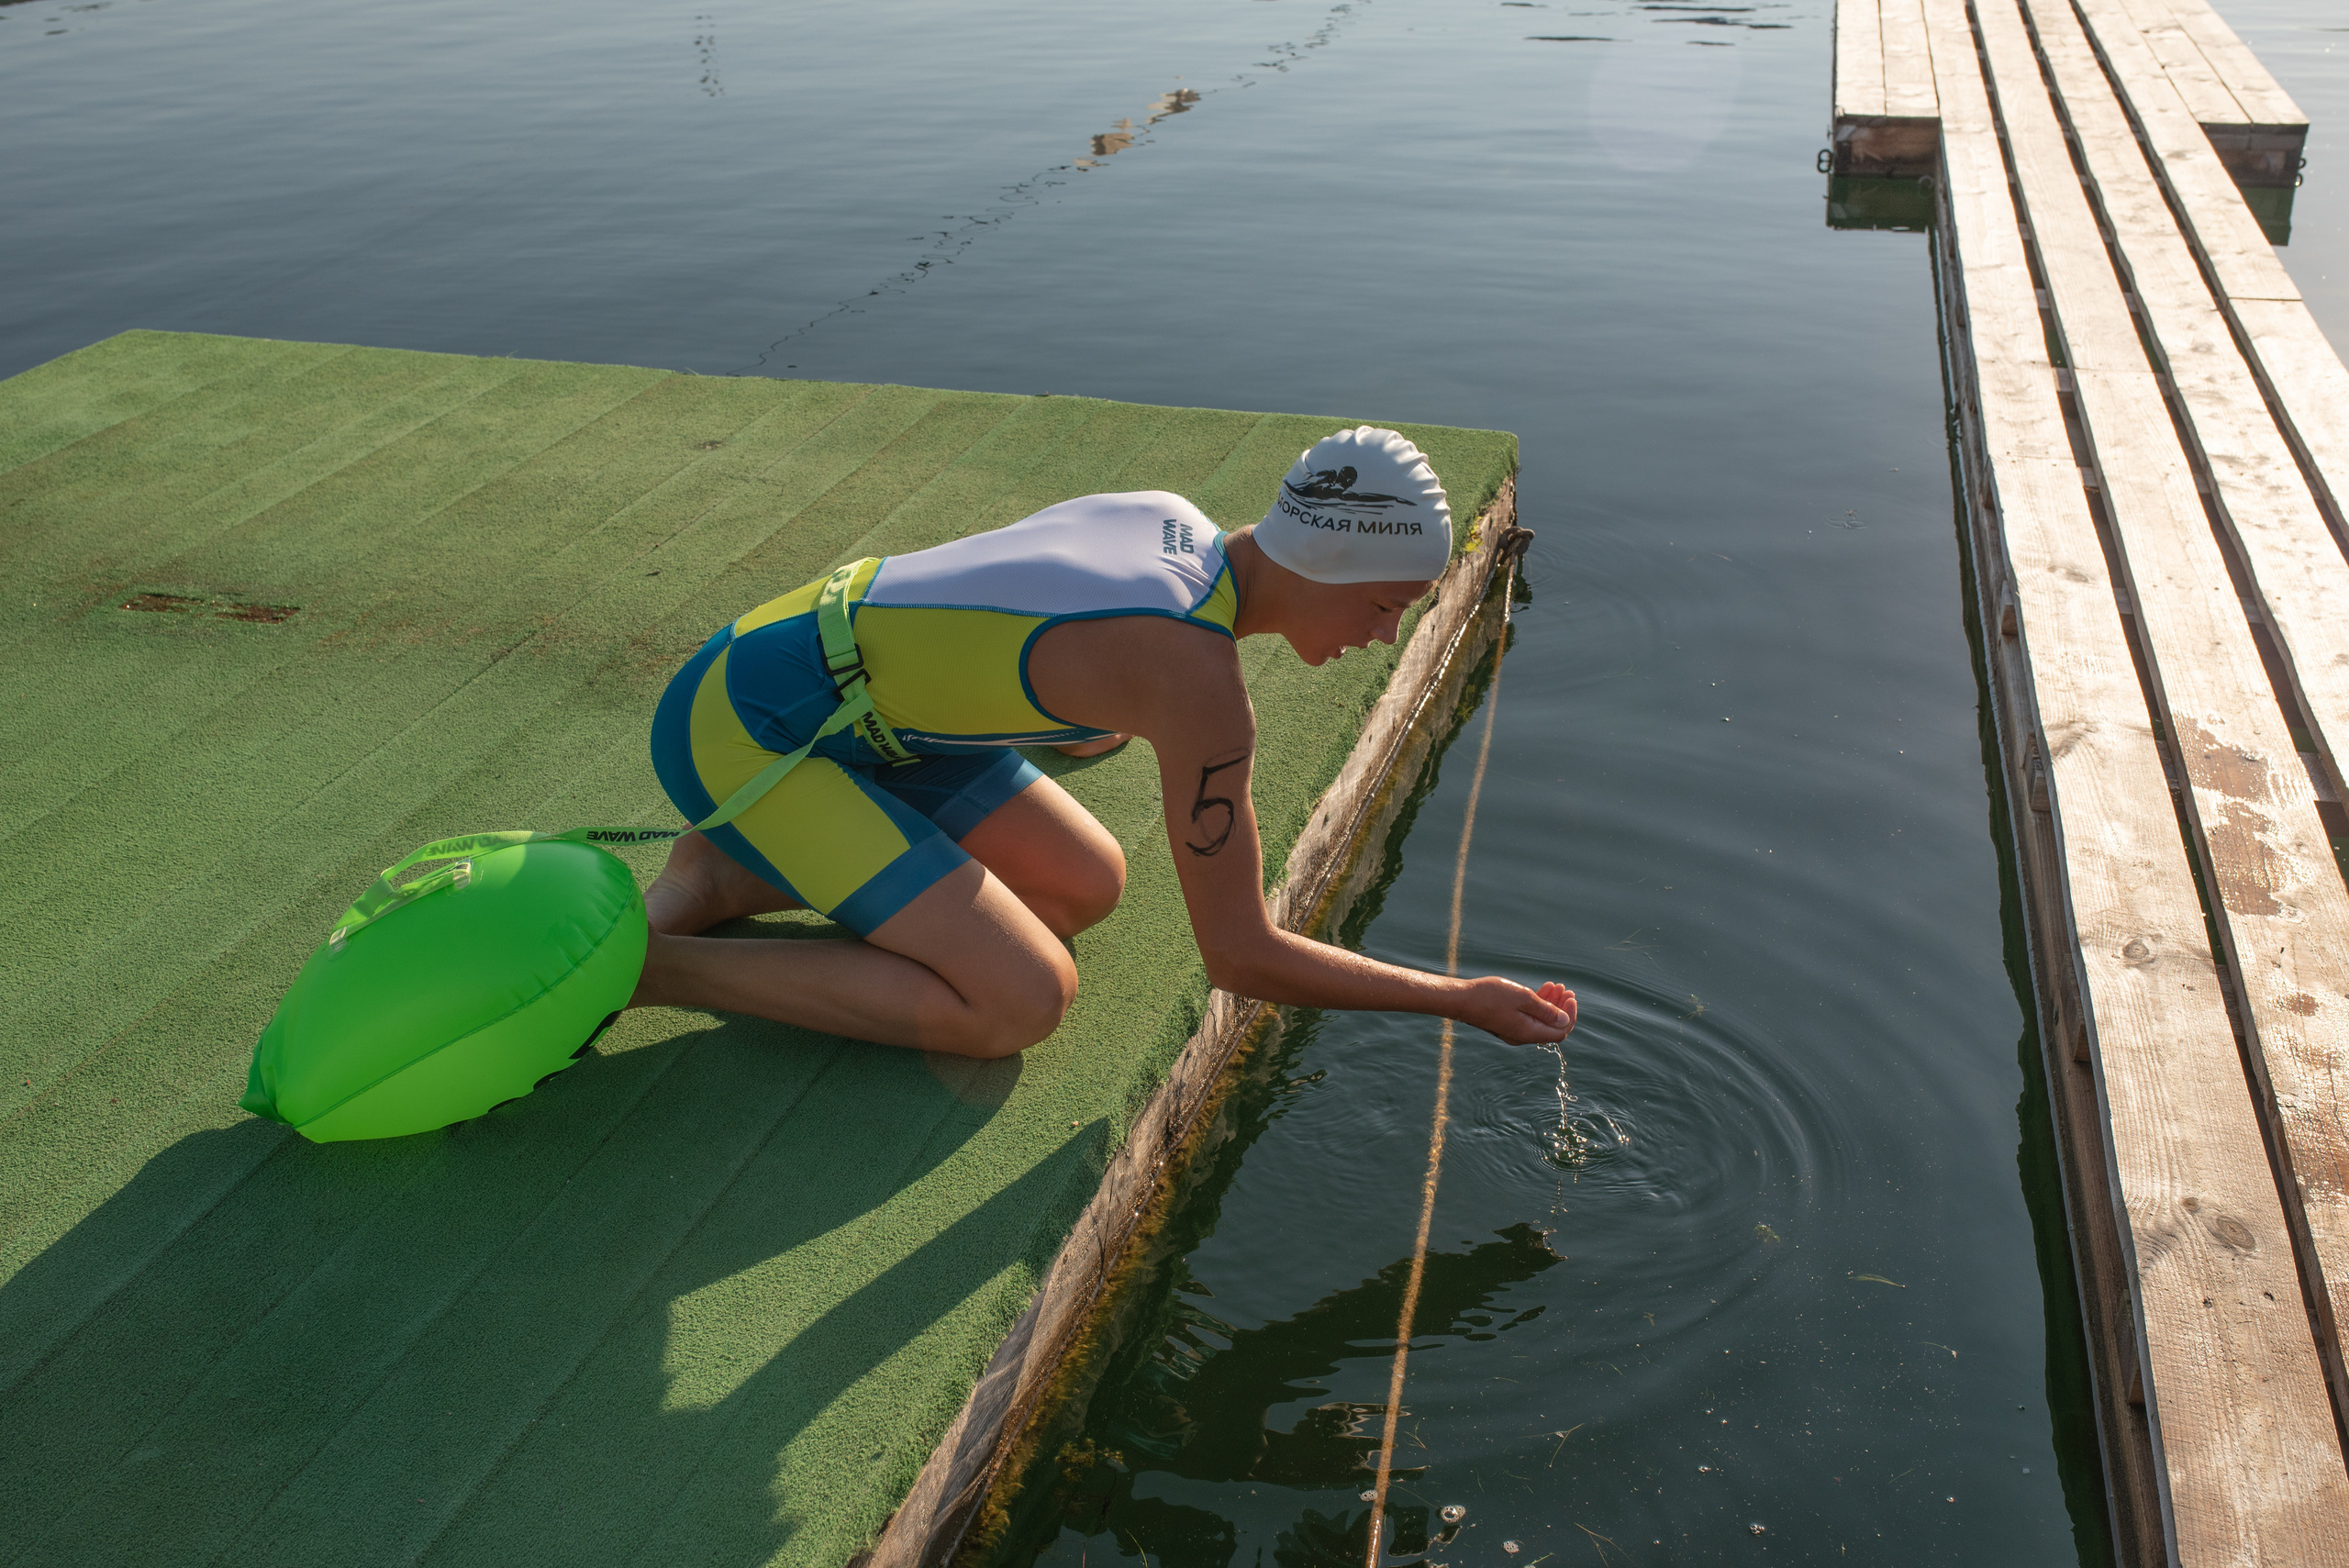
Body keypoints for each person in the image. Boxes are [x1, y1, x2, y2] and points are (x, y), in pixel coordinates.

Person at [629, 426, 1578, 1057]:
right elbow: (1239, 956)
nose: (1380, 636)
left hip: (818, 684)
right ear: (1325, 560)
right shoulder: (1193, 680)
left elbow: (1000, 620)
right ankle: (646, 968)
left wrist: (1092, 722)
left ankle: (721, 874)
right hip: (750, 733)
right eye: (1382, 605)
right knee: (1020, 998)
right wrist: (1456, 999)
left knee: (1080, 884)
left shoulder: (1170, 522)